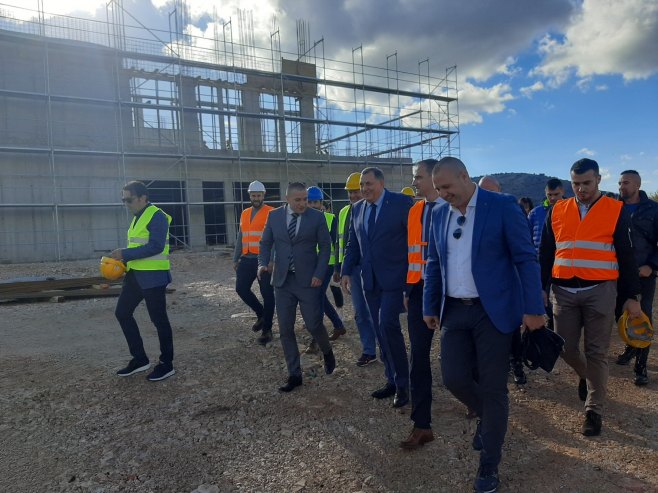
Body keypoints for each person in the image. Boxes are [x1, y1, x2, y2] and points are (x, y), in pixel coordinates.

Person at [423, 158, 545, 493]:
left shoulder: (502, 206)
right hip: (454, 311)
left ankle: (489, 465)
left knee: (493, 388)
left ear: (465, 177)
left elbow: (525, 258)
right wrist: (429, 305)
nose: (443, 194)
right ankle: (487, 416)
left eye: (447, 187)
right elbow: (434, 261)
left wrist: (533, 308)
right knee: (454, 378)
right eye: (438, 189)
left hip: (493, 312)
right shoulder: (438, 213)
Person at [539, 158, 641, 437]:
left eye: (586, 183)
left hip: (601, 290)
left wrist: (631, 295)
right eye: (576, 183)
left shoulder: (615, 209)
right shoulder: (558, 210)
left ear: (598, 179)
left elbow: (626, 254)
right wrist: (539, 287)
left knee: (597, 351)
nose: (581, 189)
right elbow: (546, 252)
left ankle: (593, 410)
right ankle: (586, 375)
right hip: (563, 292)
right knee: (565, 348)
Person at [341, 167, 413, 407]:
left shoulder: (401, 203)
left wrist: (411, 281)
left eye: (368, 184)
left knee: (387, 326)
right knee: (381, 332)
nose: (364, 189)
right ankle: (391, 379)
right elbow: (353, 243)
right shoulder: (357, 209)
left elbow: (413, 241)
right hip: (370, 282)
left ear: (381, 183)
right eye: (362, 185)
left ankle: (403, 384)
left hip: (395, 280)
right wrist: (346, 271)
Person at [258, 182, 336, 392]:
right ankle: (294, 375)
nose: (303, 204)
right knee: (285, 329)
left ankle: (327, 351)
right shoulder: (274, 216)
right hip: (282, 282)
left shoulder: (317, 217)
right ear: (287, 199)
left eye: (305, 199)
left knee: (313, 324)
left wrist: (319, 273)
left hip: (308, 281)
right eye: (298, 200)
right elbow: (265, 243)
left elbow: (326, 247)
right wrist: (262, 263)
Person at [399, 159, 445, 450]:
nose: (414, 182)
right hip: (418, 291)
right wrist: (408, 288)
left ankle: (474, 400)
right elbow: (411, 254)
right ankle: (422, 424)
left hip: (449, 292)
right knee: (418, 356)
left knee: (458, 357)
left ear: (434, 178)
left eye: (418, 177)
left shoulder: (452, 207)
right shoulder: (415, 210)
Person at [111, 181, 176, 382]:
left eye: (128, 200)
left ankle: (166, 364)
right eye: (123, 200)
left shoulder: (157, 216)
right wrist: (122, 263)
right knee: (122, 313)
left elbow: (156, 246)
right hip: (135, 275)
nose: (126, 204)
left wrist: (125, 254)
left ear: (142, 198)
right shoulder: (137, 216)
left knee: (159, 320)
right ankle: (140, 359)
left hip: (154, 277)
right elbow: (138, 245)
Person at [477, 175, 527, 386]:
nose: (486, 195)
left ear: (500, 191)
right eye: (483, 191)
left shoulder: (511, 210)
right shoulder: (473, 215)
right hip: (484, 285)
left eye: (491, 191)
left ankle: (517, 364)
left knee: (511, 327)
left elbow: (523, 250)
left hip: (507, 281)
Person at [615, 170, 658, 385]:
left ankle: (641, 367)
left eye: (626, 183)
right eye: (620, 183)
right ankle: (631, 347)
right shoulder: (613, 207)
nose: (621, 186)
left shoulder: (654, 210)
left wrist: (652, 265)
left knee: (642, 317)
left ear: (637, 185)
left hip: (643, 274)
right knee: (620, 314)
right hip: (617, 274)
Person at [334, 172, 377, 366]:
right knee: (360, 313)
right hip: (353, 269)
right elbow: (341, 243)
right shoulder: (344, 212)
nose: (353, 195)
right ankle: (369, 350)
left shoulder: (374, 210)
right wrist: (341, 269)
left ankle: (386, 348)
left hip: (373, 269)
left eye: (355, 191)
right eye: (350, 192)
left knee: (377, 312)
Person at [304, 186, 346, 354]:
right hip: (309, 265)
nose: (313, 205)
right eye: (310, 202)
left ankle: (316, 340)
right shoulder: (301, 219)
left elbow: (337, 244)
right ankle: (338, 325)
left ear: (322, 203)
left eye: (315, 202)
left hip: (326, 265)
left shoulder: (330, 219)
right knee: (320, 298)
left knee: (316, 299)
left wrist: (337, 268)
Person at [233, 180, 275, 345]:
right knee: (241, 288)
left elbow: (276, 239)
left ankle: (267, 331)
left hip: (263, 260)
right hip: (246, 258)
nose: (256, 198)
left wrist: (272, 260)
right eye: (253, 195)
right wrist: (235, 258)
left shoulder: (271, 212)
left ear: (263, 195)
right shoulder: (244, 213)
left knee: (267, 294)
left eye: (258, 195)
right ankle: (261, 314)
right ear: (249, 196)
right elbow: (240, 236)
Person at [528, 178, 565, 254]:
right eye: (549, 195)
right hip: (539, 257)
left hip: (563, 256)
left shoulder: (572, 211)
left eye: (556, 194)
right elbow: (526, 237)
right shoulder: (535, 213)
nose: (553, 198)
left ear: (562, 192)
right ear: (545, 193)